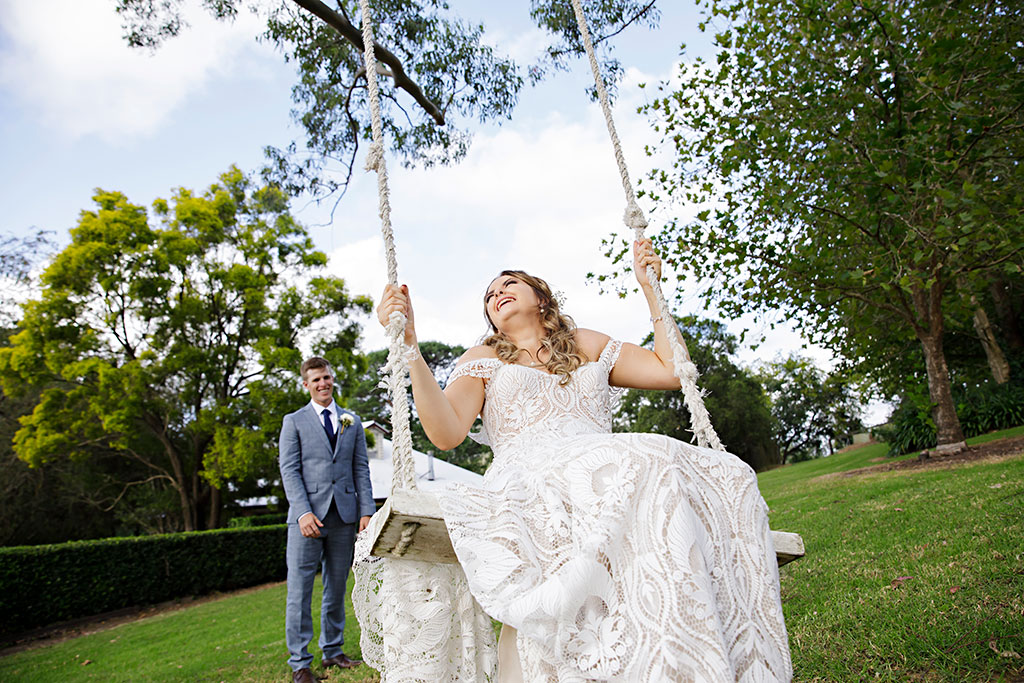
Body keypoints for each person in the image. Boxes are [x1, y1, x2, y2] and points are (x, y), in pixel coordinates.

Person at [363, 239, 792, 681]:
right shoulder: (483, 360)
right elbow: (446, 432)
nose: (497, 295)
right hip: (529, 473)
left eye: (509, 284)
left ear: (541, 297)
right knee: (648, 456)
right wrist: (409, 347)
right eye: (490, 296)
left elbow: (670, 369)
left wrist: (651, 289)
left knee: (722, 469)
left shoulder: (585, 343)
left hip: (599, 461)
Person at [279, 357, 375, 683]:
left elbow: (360, 468)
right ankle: (300, 664)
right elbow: (289, 470)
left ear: (333, 379)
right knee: (300, 592)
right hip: (306, 521)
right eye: (316, 379)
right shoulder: (293, 421)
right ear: (305, 384)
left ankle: (333, 650)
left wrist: (366, 512)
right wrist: (303, 512)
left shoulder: (352, 421)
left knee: (336, 588)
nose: (323, 384)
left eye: (327, 377)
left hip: (344, 518)